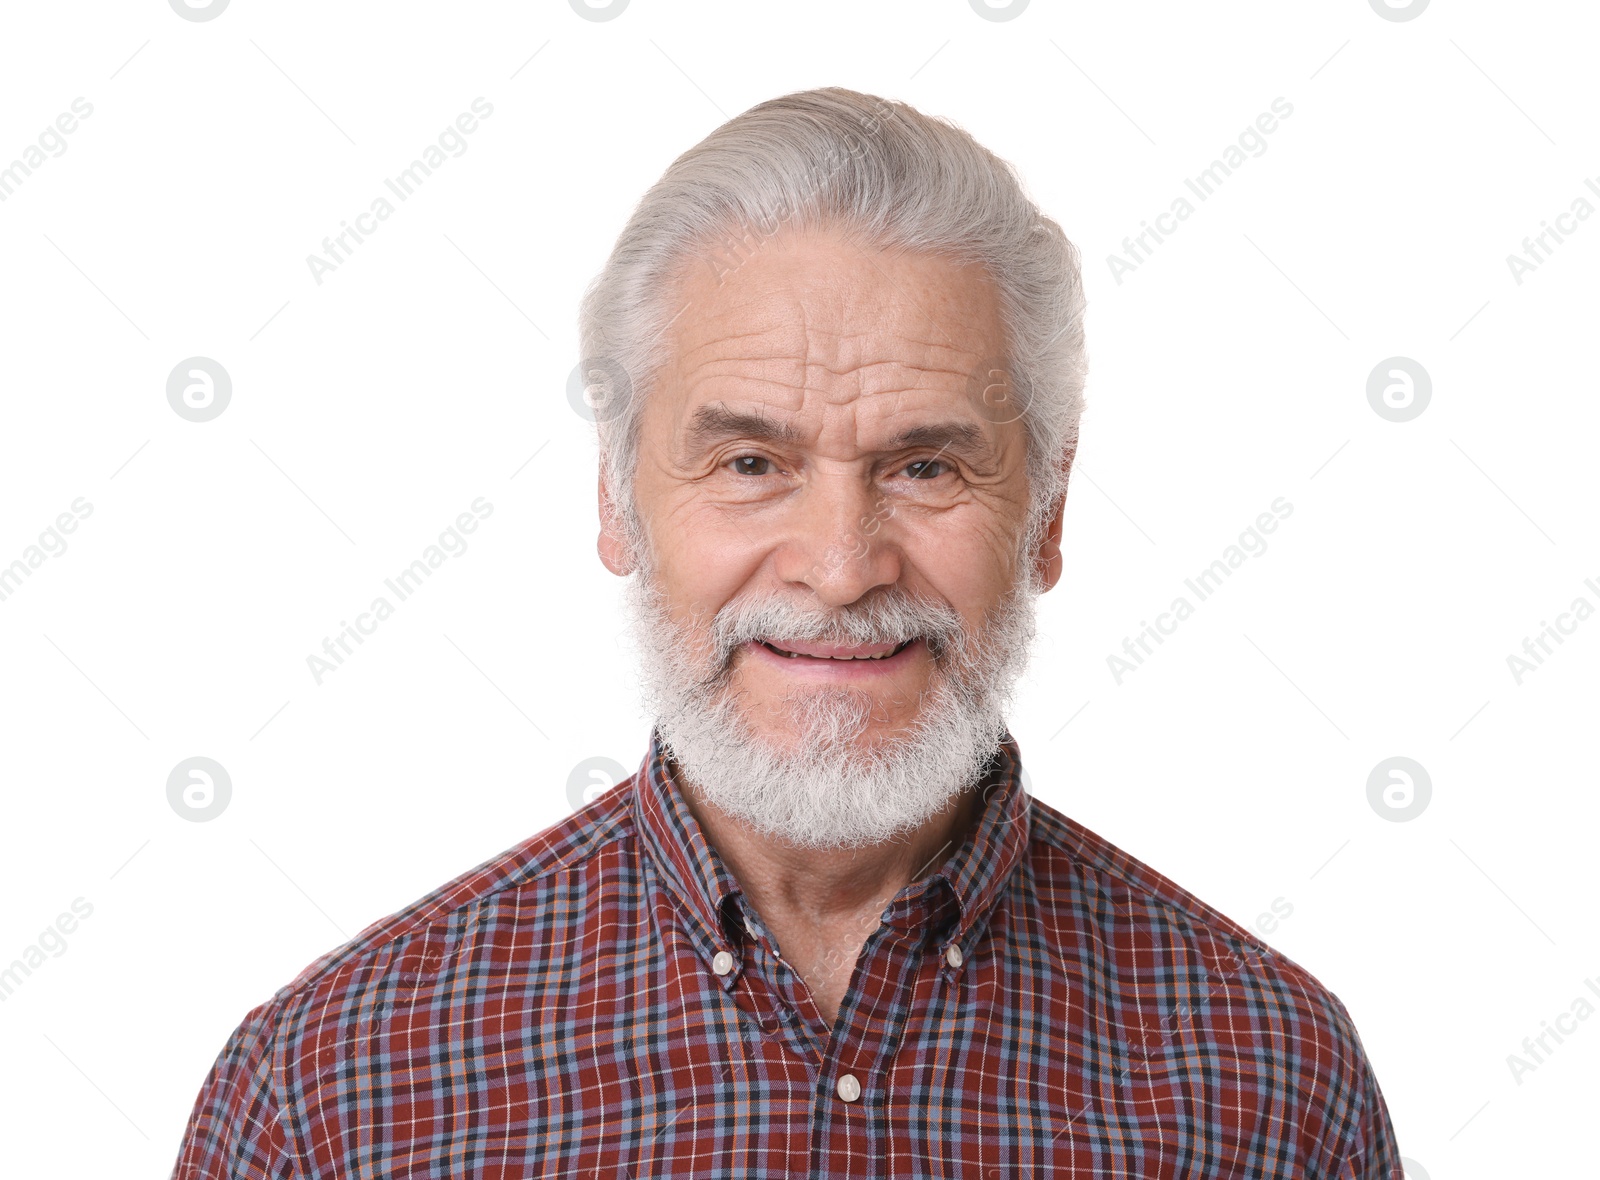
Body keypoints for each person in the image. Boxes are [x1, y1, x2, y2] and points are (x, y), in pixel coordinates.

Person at [173, 86, 1402, 1177]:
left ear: (1046, 512)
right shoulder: (329, 1097)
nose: (839, 567)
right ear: (616, 499)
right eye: (751, 460)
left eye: (924, 466)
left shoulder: (1272, 1085)